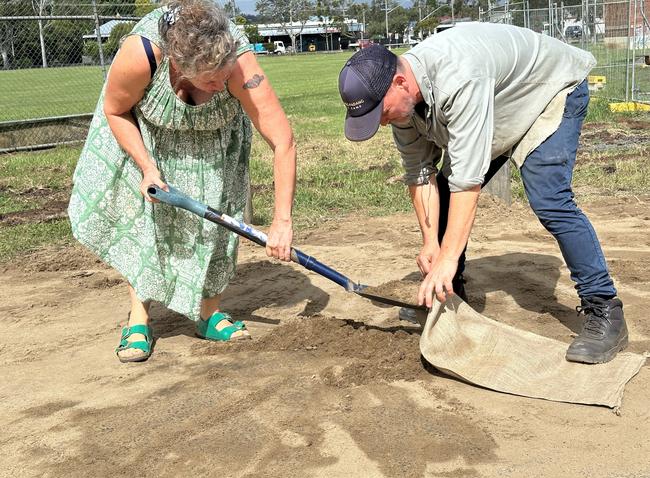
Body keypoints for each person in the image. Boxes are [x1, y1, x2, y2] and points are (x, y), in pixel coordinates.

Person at [338, 23, 627, 364]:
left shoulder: (459, 77)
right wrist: (431, 243)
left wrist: (446, 258)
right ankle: (448, 291)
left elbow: (468, 182)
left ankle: (605, 309)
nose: (382, 123)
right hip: (500, 102)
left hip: (548, 92)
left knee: (550, 198)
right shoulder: (401, 101)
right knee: (442, 193)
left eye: (381, 113)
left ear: (400, 83)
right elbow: (419, 174)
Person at [68, 0, 296, 363]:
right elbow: (115, 109)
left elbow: (283, 140)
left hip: (215, 141)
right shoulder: (142, 54)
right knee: (144, 221)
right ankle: (139, 318)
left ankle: (208, 315)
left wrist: (282, 220)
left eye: (226, 76)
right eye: (211, 80)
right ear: (178, 65)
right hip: (146, 138)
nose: (223, 86)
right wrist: (146, 167)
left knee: (218, 223)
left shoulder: (239, 66)